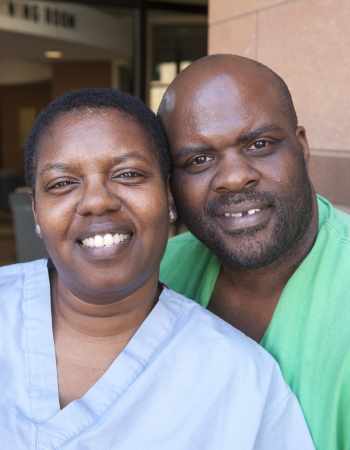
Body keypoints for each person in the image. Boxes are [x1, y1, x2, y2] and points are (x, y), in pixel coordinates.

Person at [0, 88, 313, 449]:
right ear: (37, 212)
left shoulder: (242, 381)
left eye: (129, 174)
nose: (97, 201)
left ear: (168, 199)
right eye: (62, 183)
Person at [158, 53, 350, 450]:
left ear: (301, 147)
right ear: (171, 186)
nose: (233, 177)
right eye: (199, 159)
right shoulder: (159, 275)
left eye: (260, 144)